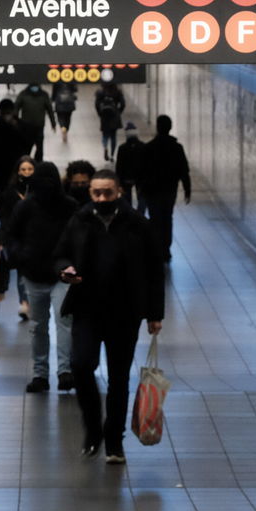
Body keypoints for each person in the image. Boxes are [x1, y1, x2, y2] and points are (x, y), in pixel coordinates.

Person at [54, 169, 164, 464]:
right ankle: (93, 428)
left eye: (107, 193)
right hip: (87, 309)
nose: (101, 198)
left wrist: (155, 314)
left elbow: (154, 271)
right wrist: (66, 270)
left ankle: (114, 440)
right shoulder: (80, 220)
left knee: (118, 379)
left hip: (124, 313)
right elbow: (61, 254)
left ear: (119, 193)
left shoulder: (137, 225)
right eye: (96, 193)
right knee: (80, 365)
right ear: (90, 193)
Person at [3, 162, 77, 393]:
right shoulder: (33, 207)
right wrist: (18, 257)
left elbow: (11, 235)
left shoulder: (63, 206)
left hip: (54, 275)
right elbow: (11, 236)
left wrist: (19, 257)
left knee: (44, 325)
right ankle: (52, 372)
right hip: (44, 275)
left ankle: (52, 373)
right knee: (55, 324)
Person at [139, 115, 191, 262]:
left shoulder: (148, 148)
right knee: (167, 218)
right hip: (169, 190)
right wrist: (187, 190)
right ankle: (165, 249)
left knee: (155, 219)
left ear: (157, 127)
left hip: (152, 191)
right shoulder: (176, 148)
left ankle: (156, 249)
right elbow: (184, 170)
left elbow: (141, 170)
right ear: (170, 127)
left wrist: (141, 189)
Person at [0, 156, 36, 323]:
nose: (26, 173)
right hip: (17, 237)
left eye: (30, 169)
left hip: (37, 236)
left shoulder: (40, 190)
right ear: (18, 171)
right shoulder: (10, 191)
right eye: (23, 169)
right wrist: (2, 238)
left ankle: (32, 300)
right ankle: (25, 302)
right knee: (22, 270)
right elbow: (4, 216)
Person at [0, 99, 32, 198]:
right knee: (2, 194)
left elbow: (27, 143)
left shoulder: (20, 125)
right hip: (0, 167)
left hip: (16, 166)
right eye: (5, 112)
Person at [14, 83, 56, 161]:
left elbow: (16, 107)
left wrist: (53, 123)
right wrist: (53, 124)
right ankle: (34, 163)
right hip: (33, 126)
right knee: (36, 147)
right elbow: (50, 110)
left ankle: (28, 162)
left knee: (30, 148)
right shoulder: (43, 95)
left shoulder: (24, 94)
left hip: (30, 126)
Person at [115, 121, 147, 211]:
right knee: (142, 199)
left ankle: (129, 215)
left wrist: (118, 182)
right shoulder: (143, 146)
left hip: (126, 178)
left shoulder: (122, 148)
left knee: (126, 200)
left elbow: (119, 166)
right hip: (141, 178)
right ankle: (140, 215)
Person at [94, 82, 125, 161]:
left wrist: (100, 113)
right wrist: (118, 112)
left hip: (104, 116)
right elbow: (123, 104)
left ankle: (105, 147)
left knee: (105, 135)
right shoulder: (117, 92)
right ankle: (112, 155)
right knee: (113, 136)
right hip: (114, 115)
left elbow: (97, 105)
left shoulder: (100, 92)